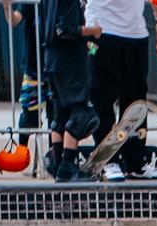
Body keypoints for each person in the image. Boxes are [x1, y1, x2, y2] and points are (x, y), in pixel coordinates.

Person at [87, 0, 155, 180]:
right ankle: (107, 161)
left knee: (136, 100)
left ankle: (135, 160)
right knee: (103, 97)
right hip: (103, 29)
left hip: (136, 33)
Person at [40, 0, 103, 181]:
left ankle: (57, 163)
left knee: (61, 114)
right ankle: (67, 166)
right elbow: (64, 30)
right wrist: (93, 31)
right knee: (79, 113)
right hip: (69, 61)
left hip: (51, 60)